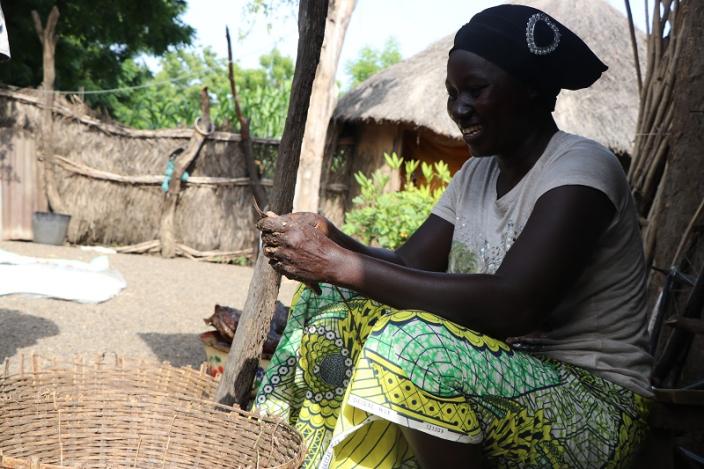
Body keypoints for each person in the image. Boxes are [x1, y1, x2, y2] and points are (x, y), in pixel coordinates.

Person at [255, 4, 652, 468]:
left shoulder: (581, 169)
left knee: (417, 346)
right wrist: (332, 239)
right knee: (331, 301)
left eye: (476, 90)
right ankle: (291, 457)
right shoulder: (475, 176)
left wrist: (338, 262)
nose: (459, 109)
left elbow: (513, 306)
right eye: (452, 93)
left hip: (592, 402)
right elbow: (406, 267)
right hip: (499, 374)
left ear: (532, 89)